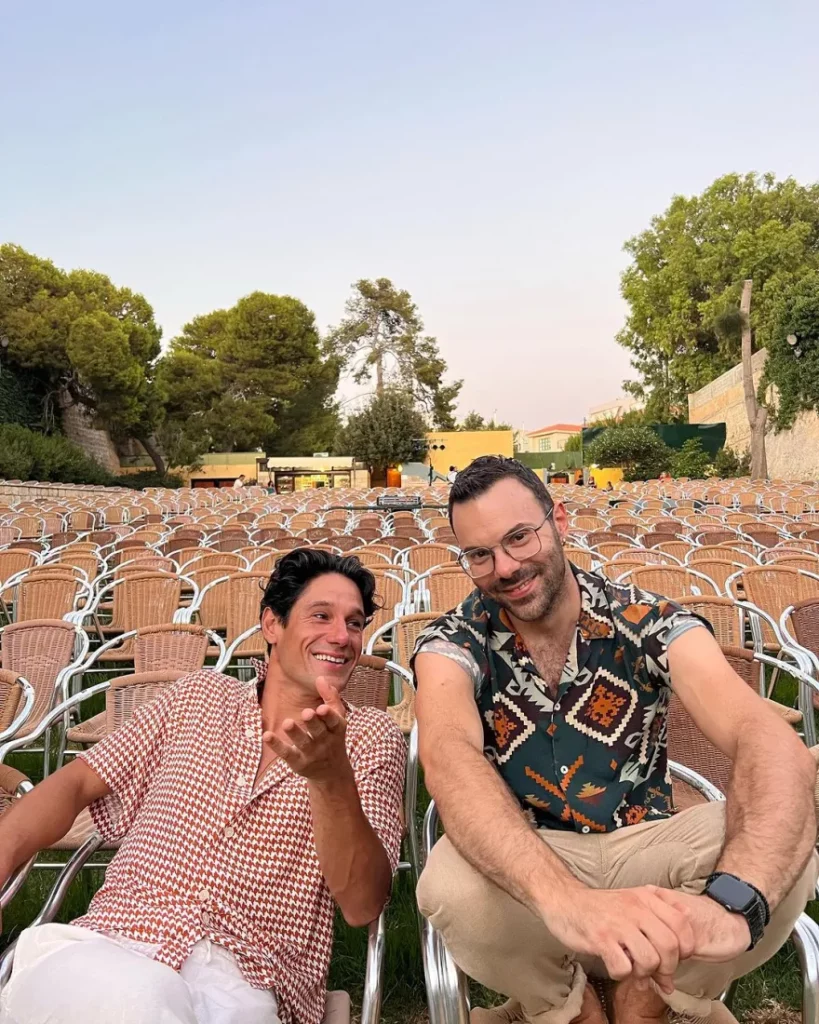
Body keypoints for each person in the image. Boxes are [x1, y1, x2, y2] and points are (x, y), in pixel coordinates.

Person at [412, 456, 817, 1024]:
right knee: (449, 883)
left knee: (786, 839)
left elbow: (760, 733)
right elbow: (448, 756)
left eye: (519, 537)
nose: (504, 567)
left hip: (647, 848)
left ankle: (645, 999)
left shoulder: (646, 619)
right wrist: (568, 902)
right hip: (532, 865)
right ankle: (569, 1007)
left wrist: (731, 907)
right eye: (480, 554)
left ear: (559, 522)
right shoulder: (453, 641)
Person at [0, 549, 406, 1024]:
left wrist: (331, 780)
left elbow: (362, 904)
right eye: (321, 616)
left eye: (355, 623)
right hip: (115, 939)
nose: (341, 636)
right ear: (272, 625)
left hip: (247, 975)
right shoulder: (197, 698)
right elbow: (76, 782)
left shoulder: (370, 738)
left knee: (143, 1003)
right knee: (137, 997)